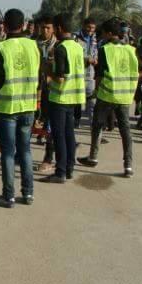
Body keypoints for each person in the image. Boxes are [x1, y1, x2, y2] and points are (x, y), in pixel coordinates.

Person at [0, 8, 41, 208]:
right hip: (28, 105)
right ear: (24, 25)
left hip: (7, 107)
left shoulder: (1, 48)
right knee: (25, 151)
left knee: (8, 153)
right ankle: (28, 194)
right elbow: (40, 78)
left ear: (4, 25)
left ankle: (8, 195)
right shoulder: (33, 47)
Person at [77, 18, 138, 177]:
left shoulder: (105, 49)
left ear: (110, 34)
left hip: (107, 95)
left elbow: (99, 75)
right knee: (125, 130)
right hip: (124, 96)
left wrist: (97, 90)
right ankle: (128, 166)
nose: (101, 35)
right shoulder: (131, 50)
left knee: (97, 125)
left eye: (103, 32)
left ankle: (93, 156)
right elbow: (139, 71)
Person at [40, 14, 85, 183]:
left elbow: (60, 77)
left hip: (60, 97)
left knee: (58, 135)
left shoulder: (61, 48)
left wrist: (47, 69)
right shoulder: (77, 46)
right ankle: (69, 168)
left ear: (58, 28)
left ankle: (60, 171)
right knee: (69, 134)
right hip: (74, 96)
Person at [34, 16, 57, 174]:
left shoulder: (58, 46)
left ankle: (48, 158)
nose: (45, 30)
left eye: (48, 27)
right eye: (43, 27)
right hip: (34, 89)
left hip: (51, 90)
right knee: (31, 122)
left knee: (50, 126)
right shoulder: (33, 44)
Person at [74, 17, 98, 127]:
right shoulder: (75, 37)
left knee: (92, 102)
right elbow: (73, 54)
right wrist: (85, 59)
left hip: (90, 74)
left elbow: (95, 52)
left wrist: (95, 59)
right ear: (84, 25)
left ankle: (94, 128)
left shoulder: (94, 39)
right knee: (77, 100)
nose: (90, 30)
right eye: (89, 27)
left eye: (93, 28)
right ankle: (76, 121)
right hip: (77, 74)